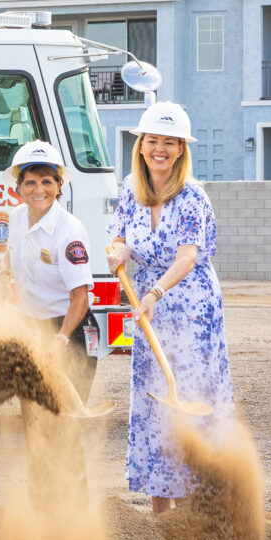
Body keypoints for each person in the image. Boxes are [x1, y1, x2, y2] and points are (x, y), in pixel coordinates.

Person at [104, 101, 235, 512]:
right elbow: (119, 237)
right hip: (148, 307)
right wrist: (120, 250)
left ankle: (201, 506)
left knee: (192, 398)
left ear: (181, 149)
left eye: (169, 142)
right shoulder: (131, 188)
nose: (159, 149)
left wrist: (153, 294)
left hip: (190, 305)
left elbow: (186, 257)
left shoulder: (193, 196)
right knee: (155, 398)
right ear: (140, 145)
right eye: (152, 140)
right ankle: (161, 514)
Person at [3, 139, 95, 399]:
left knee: (65, 419)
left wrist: (62, 339)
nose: (38, 190)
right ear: (18, 187)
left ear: (58, 186)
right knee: (33, 413)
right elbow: (12, 263)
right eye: (30, 182)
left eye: (47, 182)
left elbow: (81, 297)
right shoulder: (16, 217)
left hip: (68, 329)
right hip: (32, 328)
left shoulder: (69, 232)